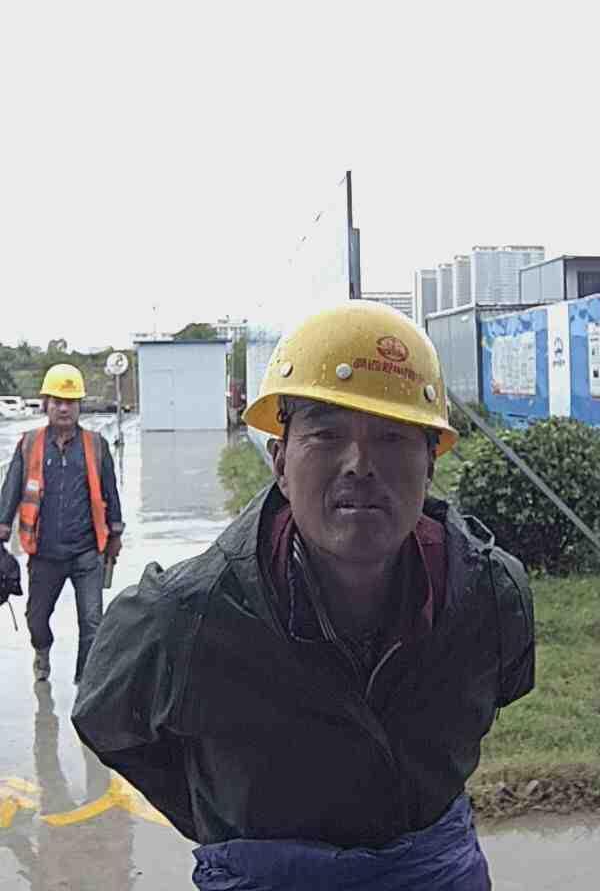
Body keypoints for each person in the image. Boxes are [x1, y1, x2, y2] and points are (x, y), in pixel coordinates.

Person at [73, 302, 534, 890]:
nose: (360, 464)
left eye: (392, 437)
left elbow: (501, 689)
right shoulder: (184, 617)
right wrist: (223, 816)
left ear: (429, 465)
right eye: (326, 434)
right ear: (280, 463)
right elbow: (106, 719)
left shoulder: (489, 596)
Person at [0, 363, 124, 684]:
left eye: (70, 401)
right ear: (46, 404)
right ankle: (42, 652)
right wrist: (1, 529)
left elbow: (110, 492)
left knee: (92, 623)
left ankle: (86, 684)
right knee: (36, 620)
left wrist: (116, 533)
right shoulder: (29, 444)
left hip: (87, 552)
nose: (64, 408)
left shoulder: (96, 445)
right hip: (44, 554)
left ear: (80, 405)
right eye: (57, 401)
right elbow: (11, 489)